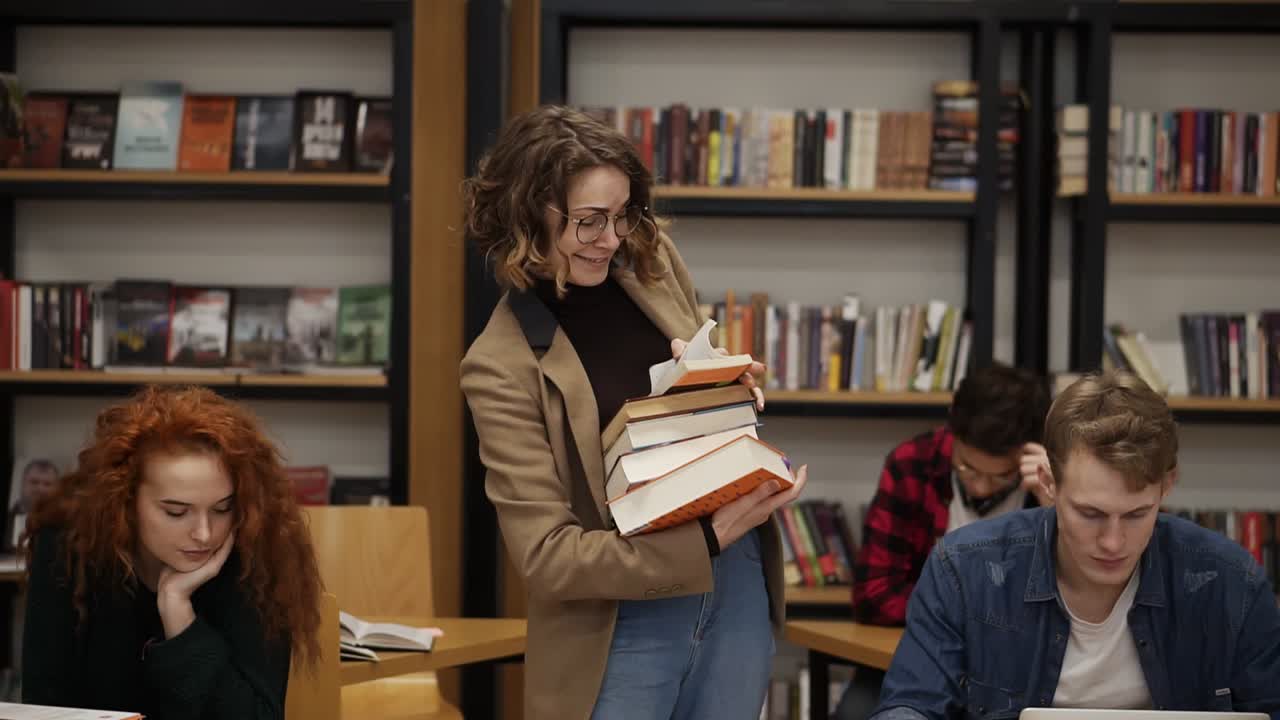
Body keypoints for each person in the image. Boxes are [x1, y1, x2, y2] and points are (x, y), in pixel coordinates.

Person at [459, 104, 807, 720]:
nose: (612, 239)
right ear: (524, 215)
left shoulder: (651, 259)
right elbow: (548, 557)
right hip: (618, 618)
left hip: (734, 581)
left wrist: (724, 386)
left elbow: (688, 394)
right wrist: (704, 541)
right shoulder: (499, 364)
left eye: (623, 215)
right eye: (589, 221)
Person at [870, 370, 1280, 719]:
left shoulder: (1231, 583)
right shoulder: (962, 568)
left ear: (1166, 486)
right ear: (1048, 484)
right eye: (1090, 513)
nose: (1114, 542)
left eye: (1137, 514)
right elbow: (910, 704)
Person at [21, 385, 324, 720]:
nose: (204, 534)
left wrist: (179, 616)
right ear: (125, 503)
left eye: (222, 509)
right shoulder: (67, 549)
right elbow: (43, 704)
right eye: (176, 512)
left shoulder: (255, 555)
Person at [836, 364, 1052, 719]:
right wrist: (968, 619)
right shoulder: (913, 465)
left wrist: (1055, 510)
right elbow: (873, 596)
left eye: (1001, 475)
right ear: (952, 426)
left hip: (1019, 668)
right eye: (968, 468)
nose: (981, 487)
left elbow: (1075, 604)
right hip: (923, 655)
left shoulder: (1049, 487)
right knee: (855, 712)